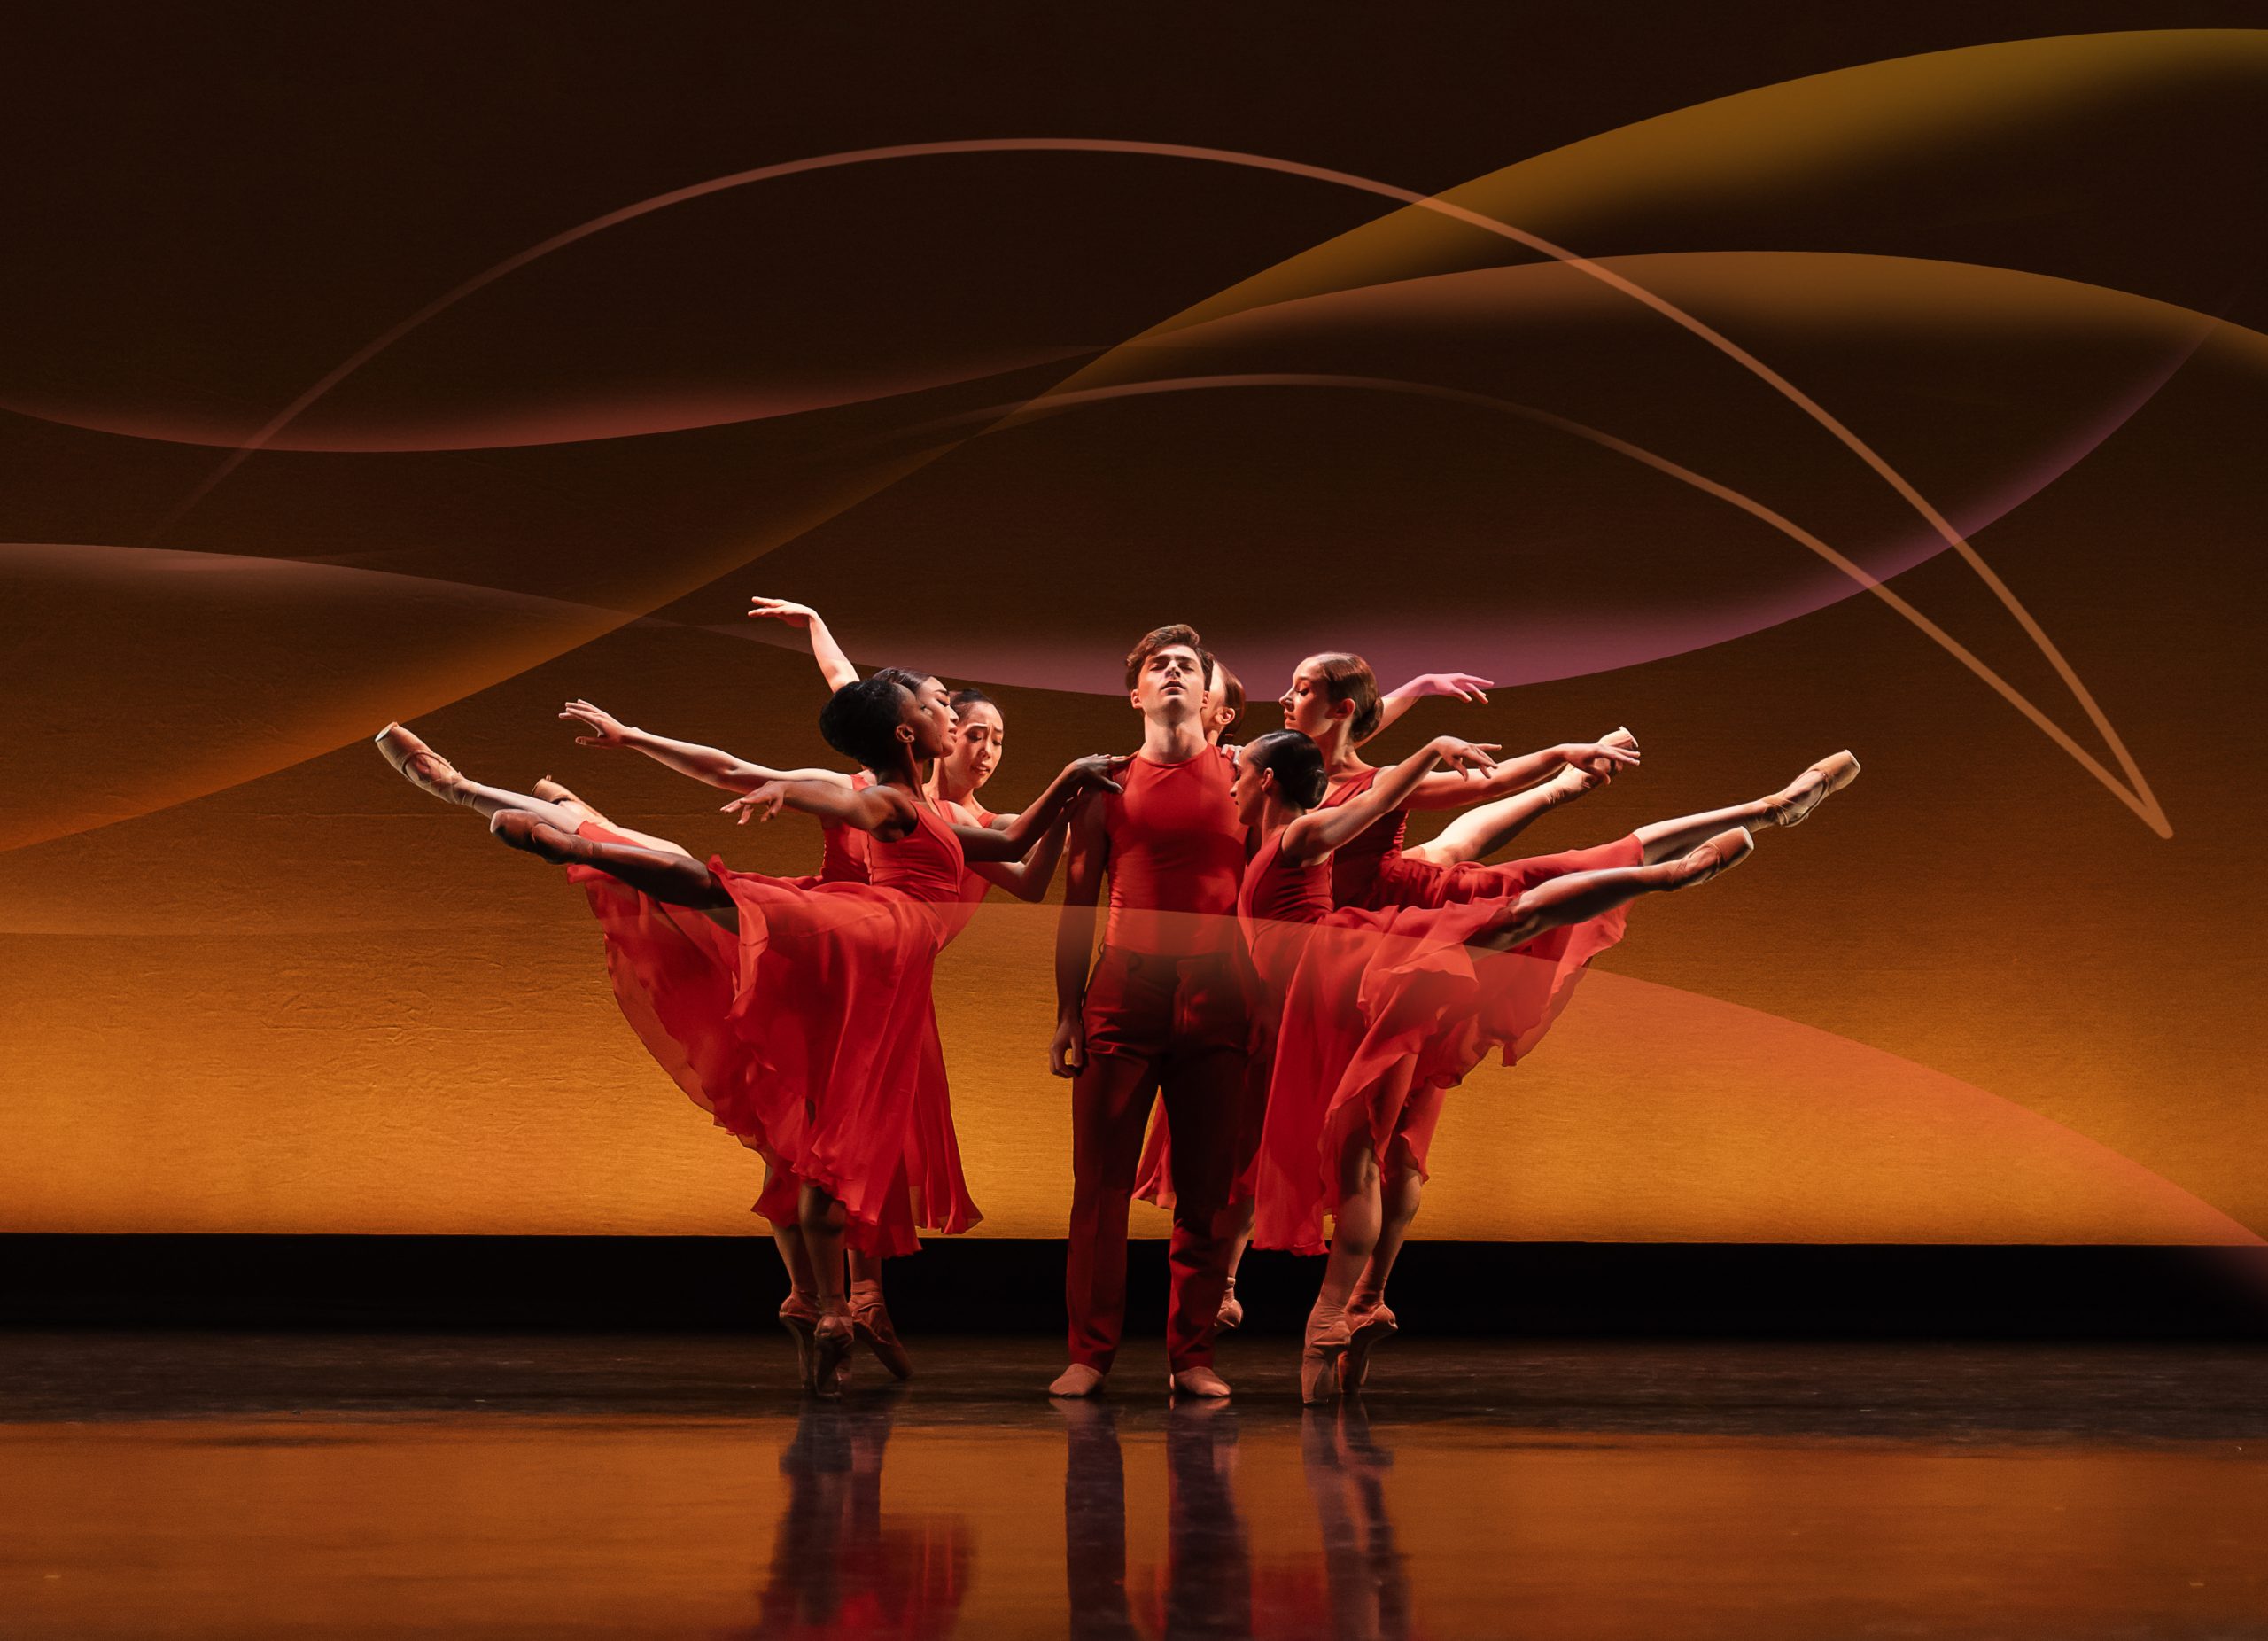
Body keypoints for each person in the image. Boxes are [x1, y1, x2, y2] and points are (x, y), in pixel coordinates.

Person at [379, 673, 1118, 1391]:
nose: (955, 723)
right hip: (868, 943)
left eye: (975, 725)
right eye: (943, 711)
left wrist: (1071, 787)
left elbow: (1017, 842)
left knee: (821, 1135)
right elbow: (763, 768)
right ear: (908, 731)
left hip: (872, 971)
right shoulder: (885, 799)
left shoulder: (941, 817)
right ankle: (554, 831)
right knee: (714, 892)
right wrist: (743, 775)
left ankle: (831, 1307)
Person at [1231, 726, 1852, 1397]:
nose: (1232, 776)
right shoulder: (1294, 817)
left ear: (1269, 778)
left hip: (1347, 962)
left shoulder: (1308, 827)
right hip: (1344, 974)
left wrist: (1450, 751)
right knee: (1383, 1135)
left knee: (1516, 919)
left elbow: (1395, 794)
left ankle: (1680, 867)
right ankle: (1351, 1308)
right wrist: (1550, 769)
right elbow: (1415, 774)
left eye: (1241, 769)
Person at [1051, 624, 1252, 1400]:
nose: (1173, 673)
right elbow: (1076, 908)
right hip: (1123, 995)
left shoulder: (1244, 779)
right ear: (1135, 694)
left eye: (1187, 666)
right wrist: (1067, 1013)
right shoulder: (1103, 787)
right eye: (1158, 666)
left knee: (1206, 1189)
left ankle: (1192, 1356)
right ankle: (1088, 1354)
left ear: (1208, 692)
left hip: (1221, 995)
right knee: (1099, 1187)